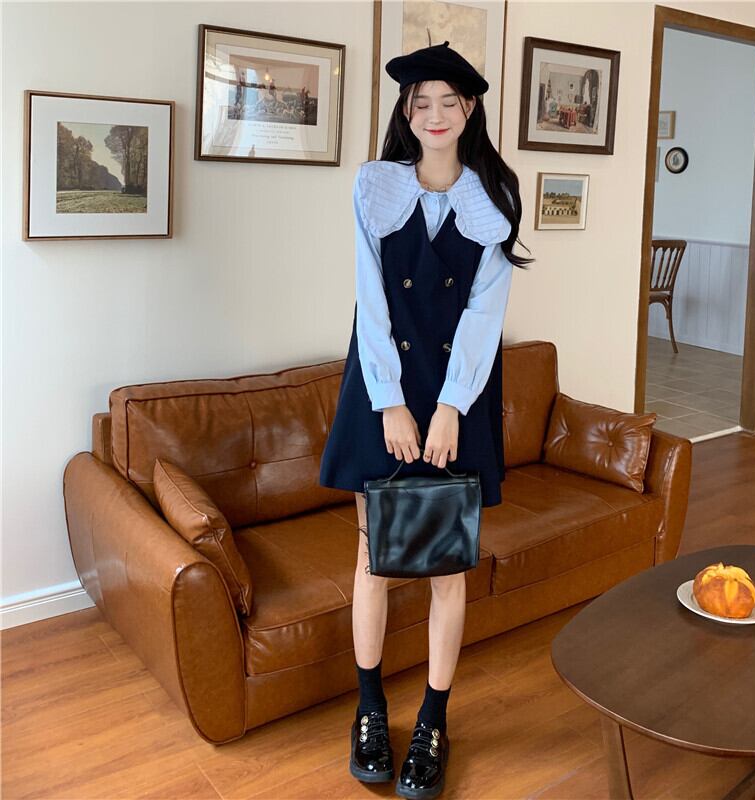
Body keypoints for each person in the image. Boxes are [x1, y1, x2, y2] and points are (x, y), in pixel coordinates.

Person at [318, 40, 534, 799]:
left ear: (469, 108)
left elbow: (484, 317)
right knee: (372, 558)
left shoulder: (495, 198)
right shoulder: (374, 187)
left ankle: (435, 720)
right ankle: (370, 710)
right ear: (406, 113)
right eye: (420, 103)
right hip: (382, 389)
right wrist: (389, 402)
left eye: (448, 101)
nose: (433, 115)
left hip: (456, 398)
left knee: (448, 568)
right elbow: (368, 303)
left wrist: (448, 408)